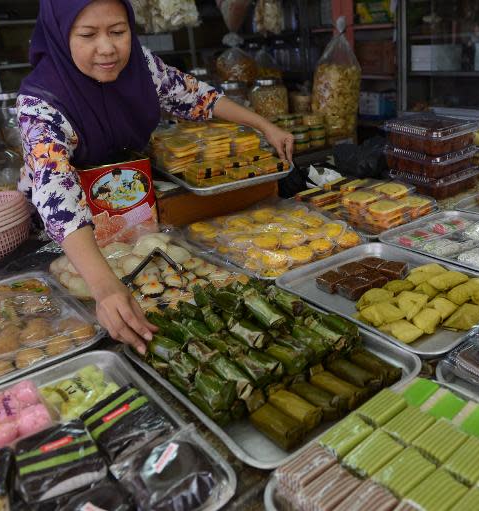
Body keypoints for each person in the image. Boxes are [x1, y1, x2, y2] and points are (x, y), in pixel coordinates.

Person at [17, 0, 294, 355]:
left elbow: (194, 96)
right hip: (73, 233)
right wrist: (104, 287)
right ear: (58, 35)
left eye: (118, 32)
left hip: (128, 198)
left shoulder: (140, 66)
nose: (107, 48)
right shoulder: (40, 101)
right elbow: (58, 198)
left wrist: (263, 124)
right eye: (88, 35)